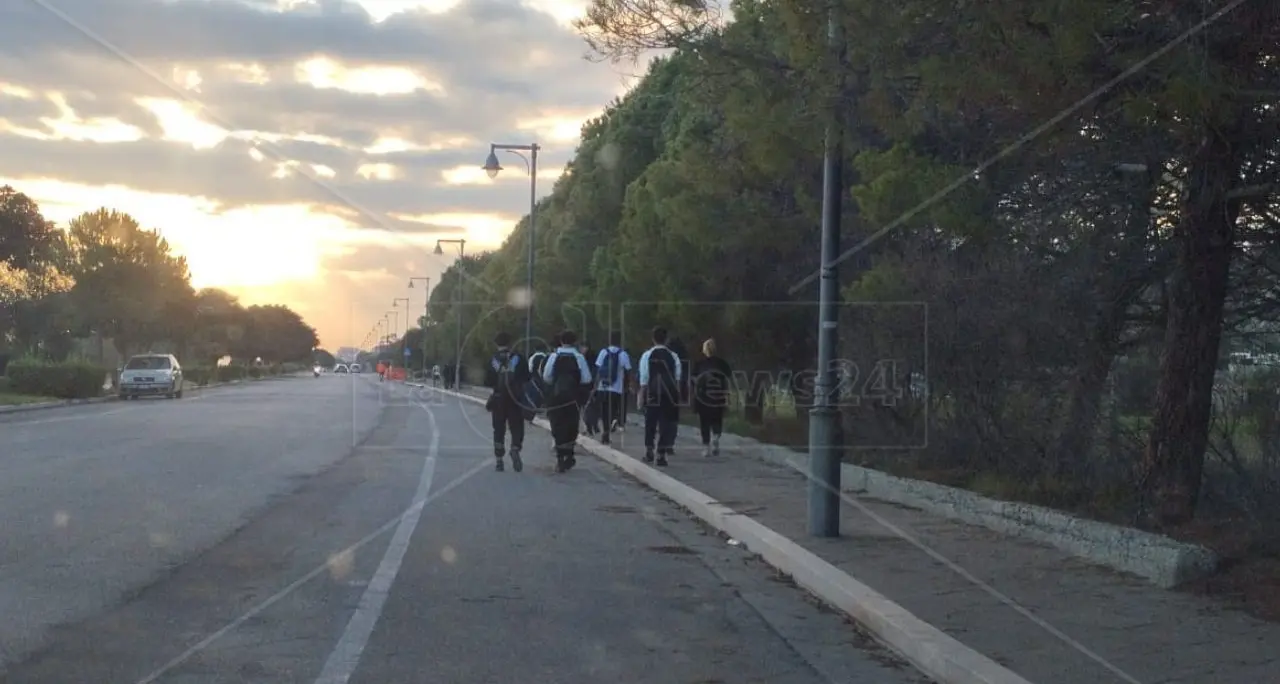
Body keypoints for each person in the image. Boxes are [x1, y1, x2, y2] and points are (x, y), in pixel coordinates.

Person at [542, 329, 592, 472]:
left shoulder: (554, 356)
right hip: (573, 398)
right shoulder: (579, 357)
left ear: (561, 341)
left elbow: (547, 377)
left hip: (556, 397)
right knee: (571, 426)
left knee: (557, 425)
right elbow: (587, 379)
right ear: (574, 342)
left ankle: (560, 458)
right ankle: (569, 454)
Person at [483, 332, 530, 472]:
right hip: (515, 398)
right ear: (510, 343)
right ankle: (515, 448)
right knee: (516, 427)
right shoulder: (519, 358)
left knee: (498, 429)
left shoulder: (493, 360)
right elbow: (527, 377)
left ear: (496, 344)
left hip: (498, 398)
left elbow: (487, 381)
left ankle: (499, 460)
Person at [638, 326, 681, 467]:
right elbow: (677, 378)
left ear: (653, 339)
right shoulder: (673, 356)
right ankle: (661, 454)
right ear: (666, 339)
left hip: (652, 392)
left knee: (650, 423)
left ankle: (649, 450)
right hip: (669, 393)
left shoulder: (647, 355)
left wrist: (641, 397)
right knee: (666, 424)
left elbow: (644, 379)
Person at [693, 338, 733, 457]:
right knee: (717, 419)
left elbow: (694, 381)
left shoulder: (699, 364)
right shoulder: (722, 363)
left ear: (704, 350)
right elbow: (727, 380)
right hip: (718, 396)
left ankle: (706, 447)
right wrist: (727, 395)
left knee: (704, 422)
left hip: (703, 397)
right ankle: (716, 437)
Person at [593, 330, 633, 445]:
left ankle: (605, 432)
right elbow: (628, 371)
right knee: (614, 409)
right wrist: (629, 385)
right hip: (617, 388)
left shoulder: (603, 352)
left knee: (604, 411)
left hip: (603, 387)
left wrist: (595, 386)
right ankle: (614, 421)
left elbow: (598, 371)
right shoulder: (623, 354)